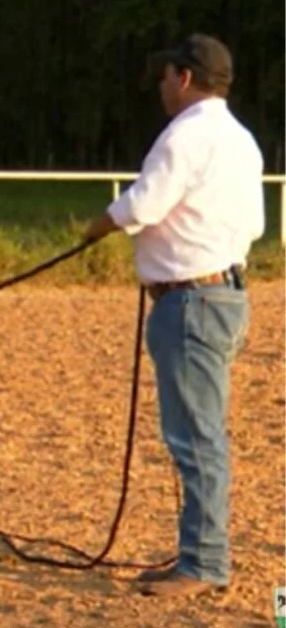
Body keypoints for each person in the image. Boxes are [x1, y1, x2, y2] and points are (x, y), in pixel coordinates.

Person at [82, 33, 265, 597]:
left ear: (184, 77)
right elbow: (254, 224)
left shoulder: (184, 135)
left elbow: (145, 203)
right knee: (200, 432)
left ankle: (204, 563)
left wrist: (98, 226)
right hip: (222, 294)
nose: (162, 86)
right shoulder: (241, 141)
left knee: (195, 437)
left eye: (165, 76)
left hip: (189, 301)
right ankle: (198, 555)